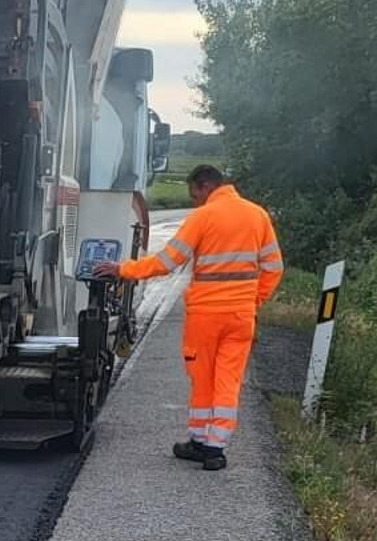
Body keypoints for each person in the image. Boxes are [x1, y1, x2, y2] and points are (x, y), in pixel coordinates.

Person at [93, 165, 283, 471]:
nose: (194, 201)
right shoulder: (257, 215)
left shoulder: (203, 217)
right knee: (228, 379)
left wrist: (124, 269)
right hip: (241, 315)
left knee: (202, 377)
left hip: (206, 314)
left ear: (205, 186)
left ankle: (198, 441)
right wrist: (254, 299)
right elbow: (274, 268)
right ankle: (215, 449)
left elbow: (168, 261)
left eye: (194, 194)